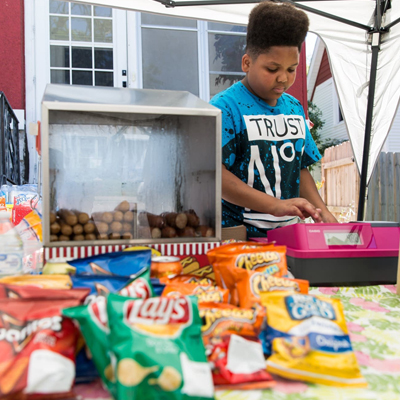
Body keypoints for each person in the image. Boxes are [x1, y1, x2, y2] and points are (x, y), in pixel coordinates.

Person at [210, 0, 337, 238]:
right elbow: (214, 174)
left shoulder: (294, 107)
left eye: (291, 69)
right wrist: (275, 205)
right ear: (247, 62)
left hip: (290, 236)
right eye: (272, 69)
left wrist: (323, 212)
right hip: (238, 236)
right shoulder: (225, 107)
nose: (283, 79)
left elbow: (300, 167)